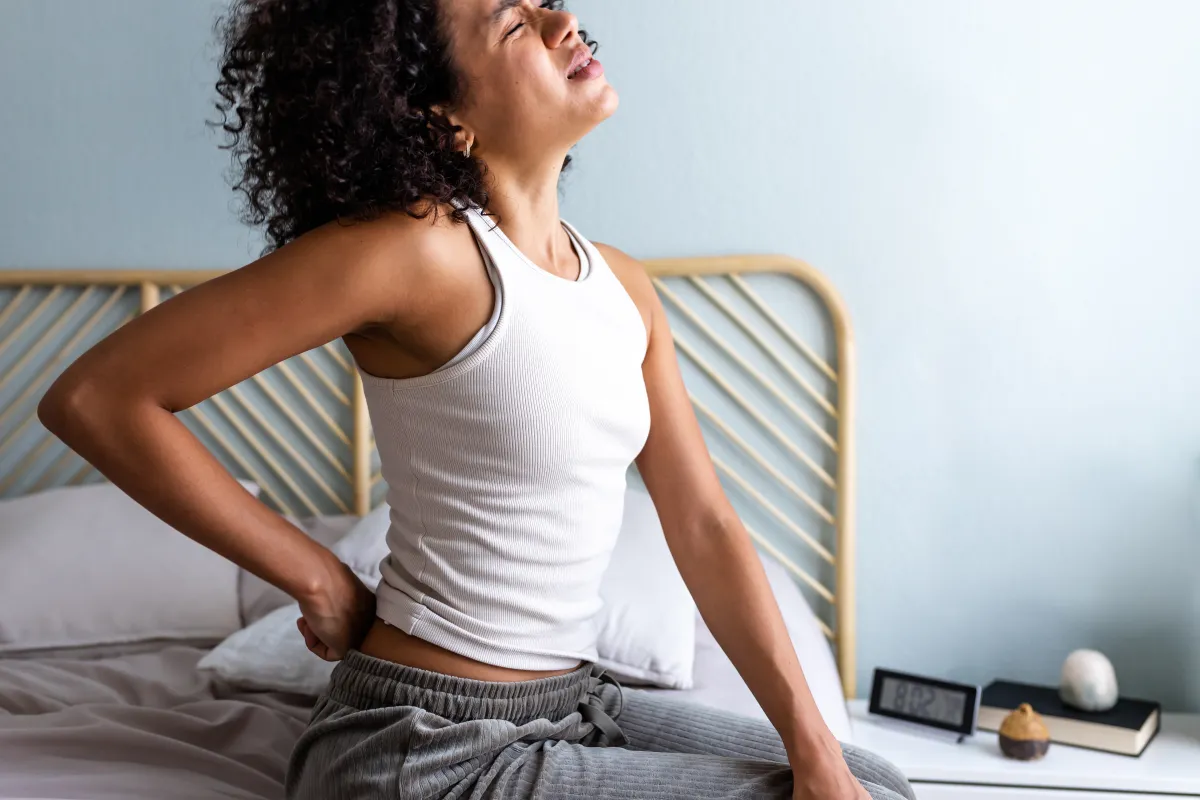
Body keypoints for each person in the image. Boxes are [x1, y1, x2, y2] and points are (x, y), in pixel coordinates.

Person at [37, 1, 915, 798]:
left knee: (870, 779)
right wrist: (314, 573)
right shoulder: (417, 252)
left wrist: (813, 747)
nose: (560, 19)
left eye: (543, 3)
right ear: (441, 118)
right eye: (513, 24)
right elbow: (98, 397)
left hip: (571, 704)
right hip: (420, 747)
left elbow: (705, 527)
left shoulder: (627, 289)